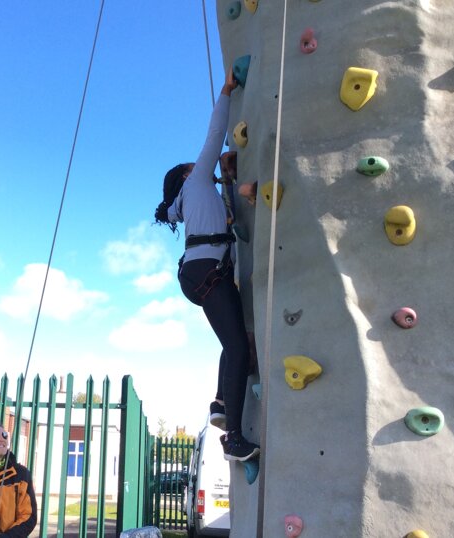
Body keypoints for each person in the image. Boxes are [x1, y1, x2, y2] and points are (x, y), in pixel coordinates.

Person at [154, 66, 260, 462]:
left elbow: (223, 217)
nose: (210, 172)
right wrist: (227, 91)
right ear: (189, 175)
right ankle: (233, 437)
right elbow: (215, 133)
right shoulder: (197, 182)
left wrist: (230, 181)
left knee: (231, 338)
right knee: (237, 346)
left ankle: (219, 402)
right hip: (208, 272)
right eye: (199, 169)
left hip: (201, 272)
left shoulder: (188, 203)